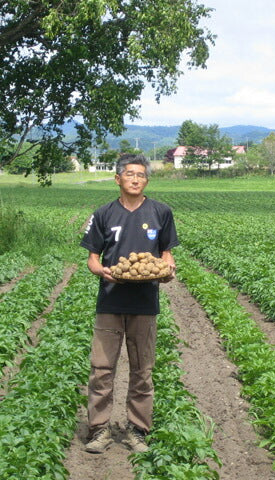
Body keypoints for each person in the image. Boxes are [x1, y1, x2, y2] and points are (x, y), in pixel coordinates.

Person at [80, 153, 178, 453]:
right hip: (110, 302)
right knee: (102, 369)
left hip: (145, 303)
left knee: (142, 370)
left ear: (146, 180)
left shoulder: (161, 212)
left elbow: (167, 254)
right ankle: (99, 429)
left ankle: (138, 430)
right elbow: (92, 259)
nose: (136, 179)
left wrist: (166, 270)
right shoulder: (103, 214)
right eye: (130, 174)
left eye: (141, 175)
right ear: (118, 179)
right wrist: (104, 272)